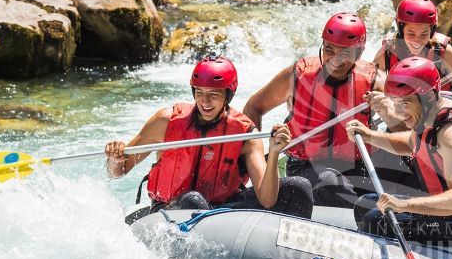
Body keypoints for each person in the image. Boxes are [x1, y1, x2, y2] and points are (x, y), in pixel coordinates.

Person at [106, 56, 313, 221]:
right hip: (173, 209)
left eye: (213, 94)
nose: (204, 101)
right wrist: (115, 158)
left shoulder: (245, 133)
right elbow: (118, 172)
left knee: (298, 187)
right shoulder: (165, 121)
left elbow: (267, 199)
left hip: (222, 208)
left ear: (227, 96)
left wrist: (275, 152)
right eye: (200, 93)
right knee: (194, 202)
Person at [346, 57, 452, 249]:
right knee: (366, 204)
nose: (397, 111)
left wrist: (403, 205)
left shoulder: (451, 134)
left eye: (404, 103)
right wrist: (370, 136)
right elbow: (412, 143)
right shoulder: (433, 110)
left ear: (429, 96)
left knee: (375, 220)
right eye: (394, 102)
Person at [243, 12, 388, 207]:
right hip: (306, 164)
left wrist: (388, 109)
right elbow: (254, 107)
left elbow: (409, 115)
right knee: (331, 183)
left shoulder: (374, 80)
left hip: (358, 166)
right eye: (329, 49)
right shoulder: (299, 75)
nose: (335, 60)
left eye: (344, 53)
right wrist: (258, 164)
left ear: (359, 53)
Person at [373, 0, 452, 105]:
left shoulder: (444, 53)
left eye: (424, 34)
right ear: (401, 29)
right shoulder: (386, 53)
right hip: (403, 116)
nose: (417, 40)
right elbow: (376, 94)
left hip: (441, 116)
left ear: (431, 32)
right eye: (411, 33)